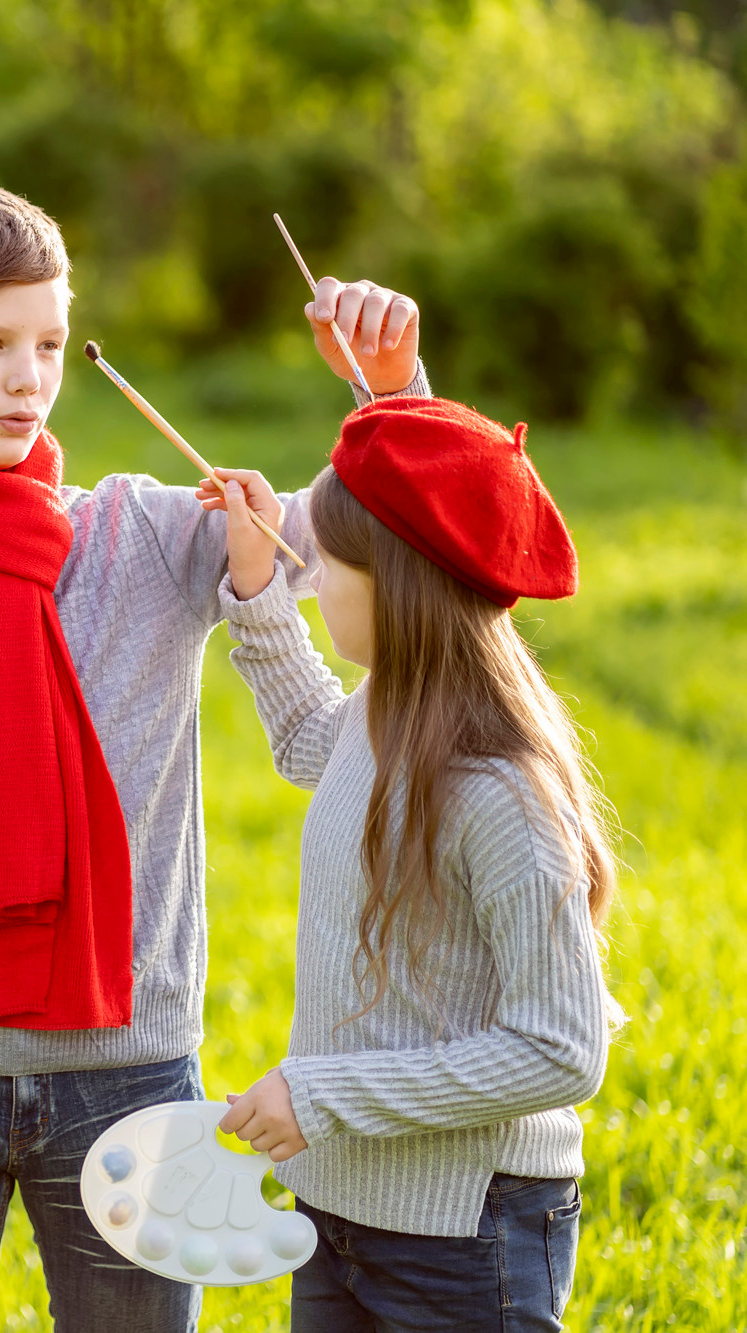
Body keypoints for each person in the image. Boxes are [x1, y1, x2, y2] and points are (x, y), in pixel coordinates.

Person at [0, 179, 427, 1331]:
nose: (26, 377)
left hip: (133, 1077)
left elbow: (405, 531)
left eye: (48, 342)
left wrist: (389, 390)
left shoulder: (151, 536)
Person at [209, 398, 617, 1331]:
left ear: (397, 580)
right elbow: (314, 740)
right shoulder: (383, 709)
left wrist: (320, 1093)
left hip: (466, 1232)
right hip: (339, 1208)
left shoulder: (500, 792)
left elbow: (562, 1047)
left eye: (325, 560)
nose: (307, 567)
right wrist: (259, 593)